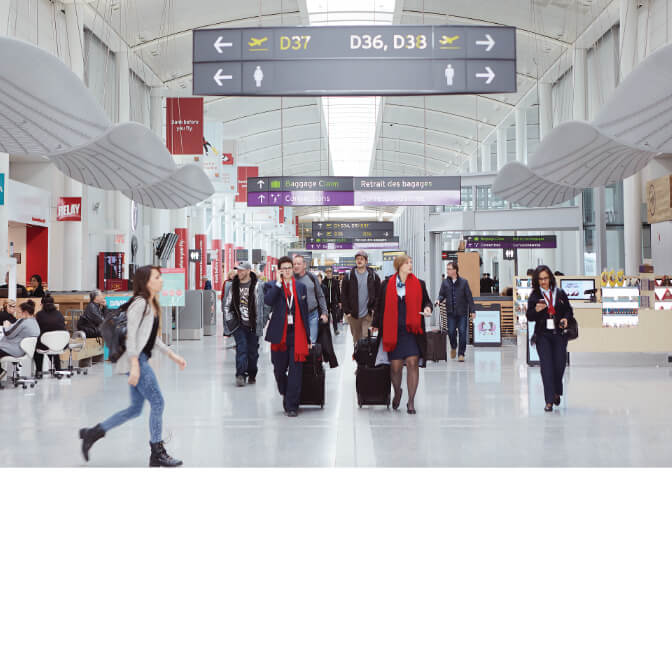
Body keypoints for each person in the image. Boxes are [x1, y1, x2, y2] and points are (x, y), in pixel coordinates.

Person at [79, 266, 187, 467]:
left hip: (138, 360)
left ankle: (92, 433)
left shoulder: (151, 304)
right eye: (157, 277)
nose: (161, 280)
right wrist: (135, 365)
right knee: (158, 402)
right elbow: (132, 337)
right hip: (136, 360)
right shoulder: (140, 304)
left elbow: (150, 337)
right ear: (146, 282)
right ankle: (157, 452)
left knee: (135, 409)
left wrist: (173, 355)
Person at [374, 254, 432, 414]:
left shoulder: (419, 284)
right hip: (393, 332)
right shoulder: (387, 284)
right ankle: (397, 391)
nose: (410, 265)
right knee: (396, 367)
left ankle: (411, 401)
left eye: (411, 262)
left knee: (413, 362)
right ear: (399, 265)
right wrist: (375, 324)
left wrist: (428, 309)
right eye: (407, 263)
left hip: (412, 331)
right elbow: (379, 305)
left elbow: (427, 301)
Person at [264, 256, 310, 418]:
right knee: (279, 369)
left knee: (296, 371)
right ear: (279, 270)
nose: (287, 270)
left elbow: (304, 313)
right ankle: (284, 391)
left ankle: (292, 405)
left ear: (292, 269)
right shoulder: (271, 285)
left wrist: (308, 339)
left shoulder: (301, 287)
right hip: (279, 335)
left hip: (296, 334)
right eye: (283, 268)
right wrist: (278, 283)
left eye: (289, 268)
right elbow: (268, 301)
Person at [526, 265, 573, 412]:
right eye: (540, 279)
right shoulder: (534, 296)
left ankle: (556, 392)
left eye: (545, 278)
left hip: (559, 334)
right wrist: (536, 310)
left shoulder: (559, 293)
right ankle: (549, 401)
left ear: (550, 278)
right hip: (542, 335)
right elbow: (529, 316)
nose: (543, 281)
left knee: (559, 365)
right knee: (546, 367)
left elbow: (568, 310)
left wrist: (565, 318)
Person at [224, 261, 269, 387]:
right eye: (238, 270)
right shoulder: (232, 286)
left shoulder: (259, 286)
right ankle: (240, 375)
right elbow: (226, 305)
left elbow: (265, 305)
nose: (239, 272)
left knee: (252, 352)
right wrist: (230, 322)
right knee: (241, 348)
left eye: (242, 270)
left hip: (254, 324)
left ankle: (252, 373)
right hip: (239, 324)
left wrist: (263, 320)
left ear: (249, 271)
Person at [437, 261, 476, 362]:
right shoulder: (445, 282)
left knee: (463, 332)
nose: (447, 271)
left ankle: (461, 354)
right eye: (447, 269)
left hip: (462, 312)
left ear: (455, 270)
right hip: (450, 312)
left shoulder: (464, 282)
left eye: (449, 269)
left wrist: (473, 311)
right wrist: (438, 300)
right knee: (450, 332)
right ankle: (453, 346)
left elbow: (469, 297)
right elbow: (441, 294)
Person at [341, 250, 381, 345]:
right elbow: (343, 295)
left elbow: (379, 295)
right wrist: (347, 312)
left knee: (366, 338)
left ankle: (366, 359)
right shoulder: (349, 276)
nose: (359, 261)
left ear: (366, 261)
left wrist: (374, 309)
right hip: (353, 314)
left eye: (362, 259)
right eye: (357, 259)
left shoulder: (374, 276)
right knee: (357, 339)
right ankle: (359, 358)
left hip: (368, 314)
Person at [0, 299, 40, 380]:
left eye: (19, 312)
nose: (18, 315)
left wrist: (6, 326)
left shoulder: (23, 321)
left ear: (25, 313)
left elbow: (8, 334)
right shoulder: (35, 322)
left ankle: (0, 371)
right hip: (23, 351)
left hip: (14, 350)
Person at [293, 254, 328, 344]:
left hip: (312, 315)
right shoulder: (291, 279)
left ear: (304, 265)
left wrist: (324, 313)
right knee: (299, 343)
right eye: (294, 264)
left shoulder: (312, 277)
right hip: (297, 317)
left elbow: (320, 295)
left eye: (298, 264)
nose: (296, 266)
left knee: (312, 343)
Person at [34, 293, 66, 376]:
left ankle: (39, 371)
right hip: (60, 344)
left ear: (42, 304)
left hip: (45, 344)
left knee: (37, 347)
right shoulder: (59, 314)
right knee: (54, 347)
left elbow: (36, 330)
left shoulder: (39, 315)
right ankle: (58, 369)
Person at [321, 266, 342, 335]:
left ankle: (335, 329)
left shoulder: (335, 281)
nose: (329, 274)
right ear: (326, 273)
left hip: (333, 302)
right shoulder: (323, 281)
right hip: (326, 302)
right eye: (327, 272)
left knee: (334, 316)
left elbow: (338, 292)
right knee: (327, 316)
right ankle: (327, 330)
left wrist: (339, 301)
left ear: (332, 273)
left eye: (330, 272)